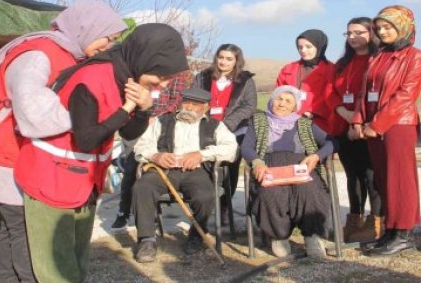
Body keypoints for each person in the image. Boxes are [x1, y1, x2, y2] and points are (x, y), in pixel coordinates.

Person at [0, 0, 126, 283]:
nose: (109, 45)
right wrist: (91, 116)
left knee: (13, 236)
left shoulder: (64, 53)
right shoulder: (39, 55)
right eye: (107, 37)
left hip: (9, 159)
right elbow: (34, 113)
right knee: (29, 244)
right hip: (7, 162)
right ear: (88, 28)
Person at [13, 23, 189, 282]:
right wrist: (126, 108)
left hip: (83, 182)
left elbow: (129, 134)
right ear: (145, 58)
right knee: (56, 269)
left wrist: (143, 109)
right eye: (160, 77)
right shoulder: (92, 78)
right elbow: (86, 139)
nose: (161, 85)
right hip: (51, 180)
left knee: (77, 261)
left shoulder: (126, 77)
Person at [131, 87, 238, 262]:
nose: (189, 108)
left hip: (196, 171)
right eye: (186, 103)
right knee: (142, 187)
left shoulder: (215, 125)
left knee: (205, 195)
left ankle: (196, 235)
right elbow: (141, 146)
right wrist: (156, 155)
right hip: (164, 170)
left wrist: (201, 155)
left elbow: (231, 148)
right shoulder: (162, 121)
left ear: (206, 108)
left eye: (195, 105)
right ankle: (147, 240)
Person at [351, 5, 421, 256]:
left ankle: (404, 234)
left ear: (402, 26)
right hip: (373, 126)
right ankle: (390, 231)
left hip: (398, 125)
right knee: (383, 179)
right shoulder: (377, 56)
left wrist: (377, 124)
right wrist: (359, 121)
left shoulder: (414, 56)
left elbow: (406, 95)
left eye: (388, 27)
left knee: (400, 180)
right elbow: (364, 91)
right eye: (379, 28)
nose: (382, 32)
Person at [242, 86, 335, 259]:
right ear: (272, 100)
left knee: (311, 192)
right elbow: (246, 146)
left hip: (300, 165)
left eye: (288, 101)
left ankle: (312, 236)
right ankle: (279, 236)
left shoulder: (305, 123)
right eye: (279, 99)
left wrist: (316, 156)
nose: (282, 104)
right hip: (269, 166)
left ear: (294, 107)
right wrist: (257, 162)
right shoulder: (258, 121)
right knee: (269, 195)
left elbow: (331, 142)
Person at [326, 17, 381, 243]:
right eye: (348, 33)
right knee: (353, 176)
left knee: (371, 176)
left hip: (369, 126)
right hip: (345, 127)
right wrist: (347, 116)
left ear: (371, 33)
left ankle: (377, 222)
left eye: (359, 32)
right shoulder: (341, 64)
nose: (352, 37)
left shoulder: (378, 60)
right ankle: (354, 221)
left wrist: (359, 121)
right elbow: (331, 93)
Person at [111, 73, 187, 230]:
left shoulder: (176, 76)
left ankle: (149, 214)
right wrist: (142, 116)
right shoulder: (140, 72)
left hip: (161, 127)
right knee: (131, 169)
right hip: (137, 125)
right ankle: (123, 212)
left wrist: (157, 117)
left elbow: (176, 101)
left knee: (153, 170)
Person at [191, 43, 257, 224]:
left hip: (234, 129)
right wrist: (206, 122)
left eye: (229, 59)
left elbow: (249, 106)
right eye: (221, 57)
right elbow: (193, 101)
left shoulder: (245, 80)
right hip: (204, 127)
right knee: (204, 163)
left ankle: (225, 206)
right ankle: (204, 202)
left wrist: (226, 124)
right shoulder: (202, 77)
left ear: (237, 61)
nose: (224, 62)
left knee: (230, 166)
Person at [276, 29, 334, 132]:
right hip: (289, 123)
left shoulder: (332, 70)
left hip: (320, 124)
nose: (303, 50)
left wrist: (312, 111)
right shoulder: (288, 69)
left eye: (308, 47)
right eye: (300, 47)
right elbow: (279, 94)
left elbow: (332, 96)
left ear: (319, 46)